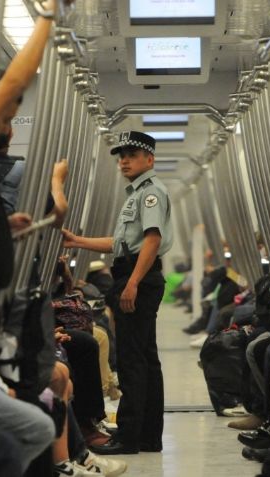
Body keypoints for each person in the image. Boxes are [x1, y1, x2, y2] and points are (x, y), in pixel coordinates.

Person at [62, 131, 173, 455]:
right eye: (121, 155)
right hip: (136, 271)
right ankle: (147, 436)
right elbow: (120, 244)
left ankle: (128, 436)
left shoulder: (150, 193)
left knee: (132, 361)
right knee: (146, 359)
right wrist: (78, 241)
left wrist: (132, 282)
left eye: (132, 154)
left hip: (138, 275)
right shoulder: (137, 194)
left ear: (149, 159)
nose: (124, 160)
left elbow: (151, 240)